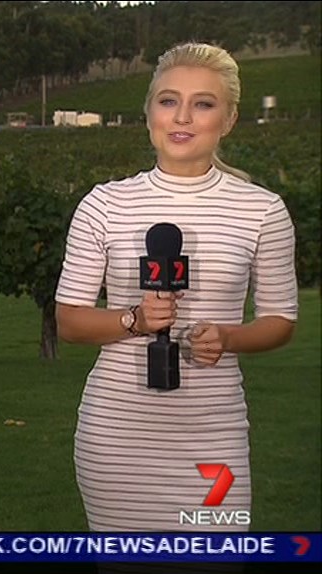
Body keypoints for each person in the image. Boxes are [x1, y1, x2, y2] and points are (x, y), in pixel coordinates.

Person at [55, 42, 299, 534]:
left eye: (202, 103)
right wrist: (135, 320)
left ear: (228, 119)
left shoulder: (263, 211)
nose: (182, 116)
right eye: (169, 101)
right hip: (118, 436)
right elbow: (70, 322)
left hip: (214, 433)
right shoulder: (104, 206)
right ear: (150, 112)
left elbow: (280, 321)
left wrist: (228, 337)